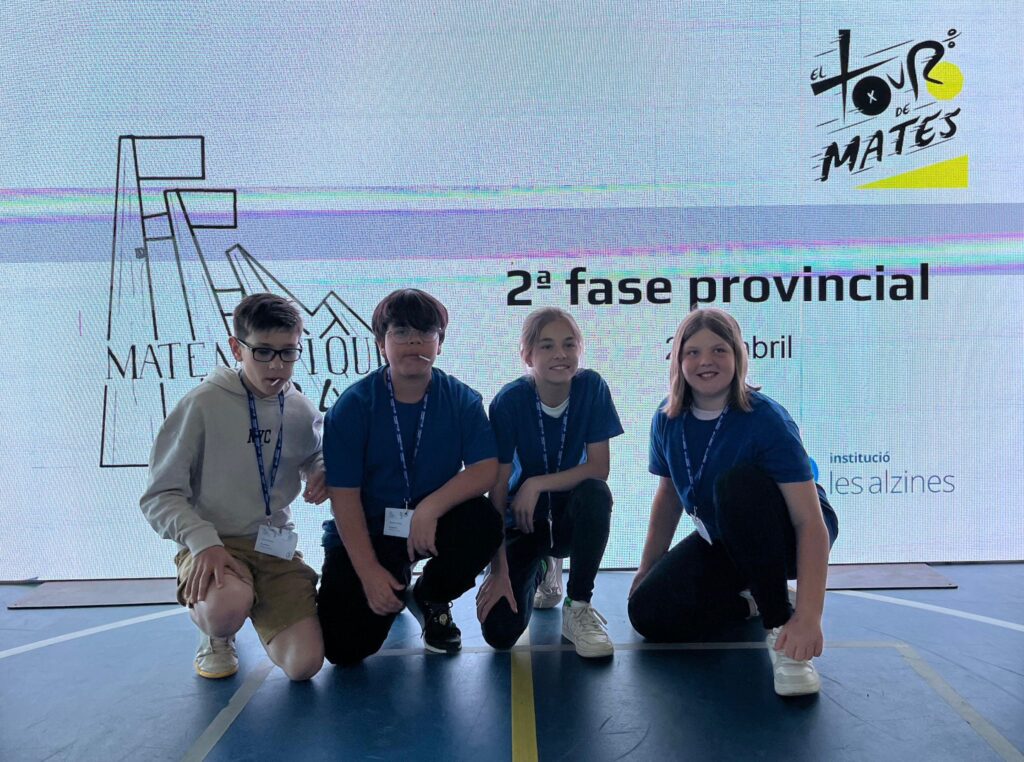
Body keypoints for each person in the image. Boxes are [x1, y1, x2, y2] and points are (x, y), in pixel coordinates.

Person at [628, 307, 838, 696]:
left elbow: (809, 522)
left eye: (719, 350)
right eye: (693, 352)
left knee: (737, 486)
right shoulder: (667, 419)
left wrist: (809, 617)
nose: (705, 361)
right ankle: (750, 601)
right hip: (725, 539)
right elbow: (669, 497)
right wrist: (647, 568)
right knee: (647, 611)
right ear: (678, 360)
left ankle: (781, 627)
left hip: (788, 535)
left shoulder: (766, 419)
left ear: (738, 356)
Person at [140, 293, 327, 681]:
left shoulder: (299, 408)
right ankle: (218, 633)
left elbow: (314, 454)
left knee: (304, 666)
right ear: (236, 348)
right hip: (216, 545)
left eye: (288, 353)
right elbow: (159, 496)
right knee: (225, 609)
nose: (276, 365)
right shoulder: (202, 404)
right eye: (263, 352)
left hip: (273, 546)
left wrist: (320, 469)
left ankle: (256, 603)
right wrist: (202, 541)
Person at [318, 289, 503, 662]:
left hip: (428, 528)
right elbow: (344, 497)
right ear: (381, 343)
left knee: (483, 522)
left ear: (440, 343)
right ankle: (388, 578)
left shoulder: (461, 399)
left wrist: (431, 507)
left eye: (426, 332)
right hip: (371, 532)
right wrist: (369, 572)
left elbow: (485, 469)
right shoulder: (353, 406)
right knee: (343, 649)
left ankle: (430, 596)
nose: (414, 341)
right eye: (401, 332)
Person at [477, 307, 623, 658]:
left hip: (568, 517)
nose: (560, 354)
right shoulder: (510, 401)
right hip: (525, 521)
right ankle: (541, 567)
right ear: (527, 356)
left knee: (595, 493)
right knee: (499, 633)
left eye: (569, 344)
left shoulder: (591, 387)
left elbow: (599, 467)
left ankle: (578, 605)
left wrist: (537, 483)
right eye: (547, 346)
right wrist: (498, 569)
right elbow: (497, 489)